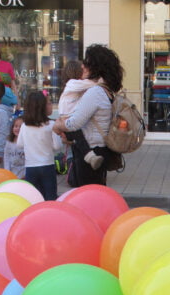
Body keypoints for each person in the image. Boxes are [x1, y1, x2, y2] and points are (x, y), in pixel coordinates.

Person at [52, 44, 124, 187]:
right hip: (101, 148)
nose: (82, 67)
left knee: (88, 197)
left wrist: (57, 125)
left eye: (86, 63)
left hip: (91, 149)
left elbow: (74, 123)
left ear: (96, 67)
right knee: (97, 193)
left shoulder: (95, 92)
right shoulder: (106, 90)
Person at [16, 91, 63, 200]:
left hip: (31, 167)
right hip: (47, 165)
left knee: (34, 197)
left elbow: (19, 144)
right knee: (50, 196)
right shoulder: (51, 125)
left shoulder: (24, 126)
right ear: (43, 107)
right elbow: (57, 146)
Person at [57, 60, 100, 171]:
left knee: (78, 140)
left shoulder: (72, 85)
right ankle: (90, 158)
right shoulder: (73, 83)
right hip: (68, 119)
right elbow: (93, 84)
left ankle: (86, 160)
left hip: (67, 120)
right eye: (83, 70)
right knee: (79, 138)